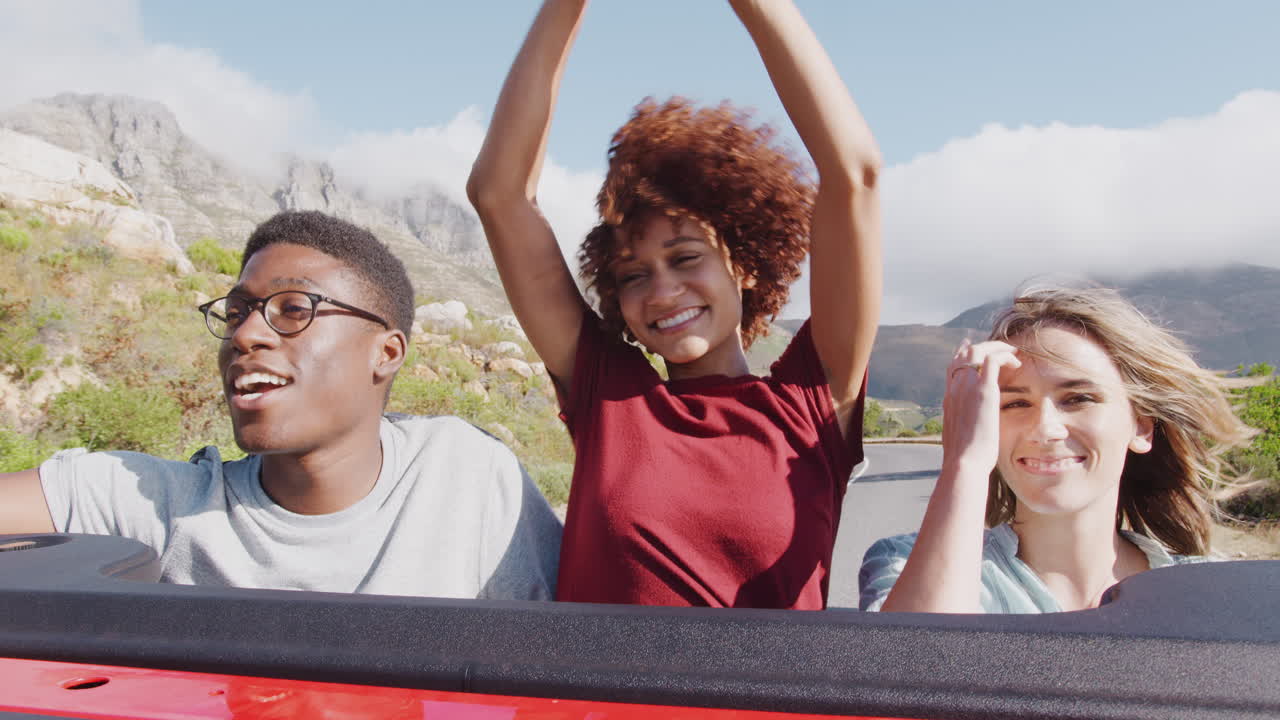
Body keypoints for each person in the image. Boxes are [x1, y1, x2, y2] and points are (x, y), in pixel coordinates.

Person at [467, 0, 881, 608]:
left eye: (686, 259)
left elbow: (854, 175)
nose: (662, 292)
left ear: (742, 264)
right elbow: (499, 193)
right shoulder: (608, 395)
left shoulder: (811, 402)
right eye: (633, 276)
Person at [0, 210, 562, 600]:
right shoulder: (164, 505)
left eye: (294, 309)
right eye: (238, 311)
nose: (246, 335)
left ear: (385, 353)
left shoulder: (463, 473)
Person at [859, 286, 1254, 613]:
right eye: (1014, 403)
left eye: (1078, 398)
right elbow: (914, 680)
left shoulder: (1210, 590)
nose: (1045, 429)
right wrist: (964, 465)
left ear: (1142, 426)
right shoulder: (902, 563)